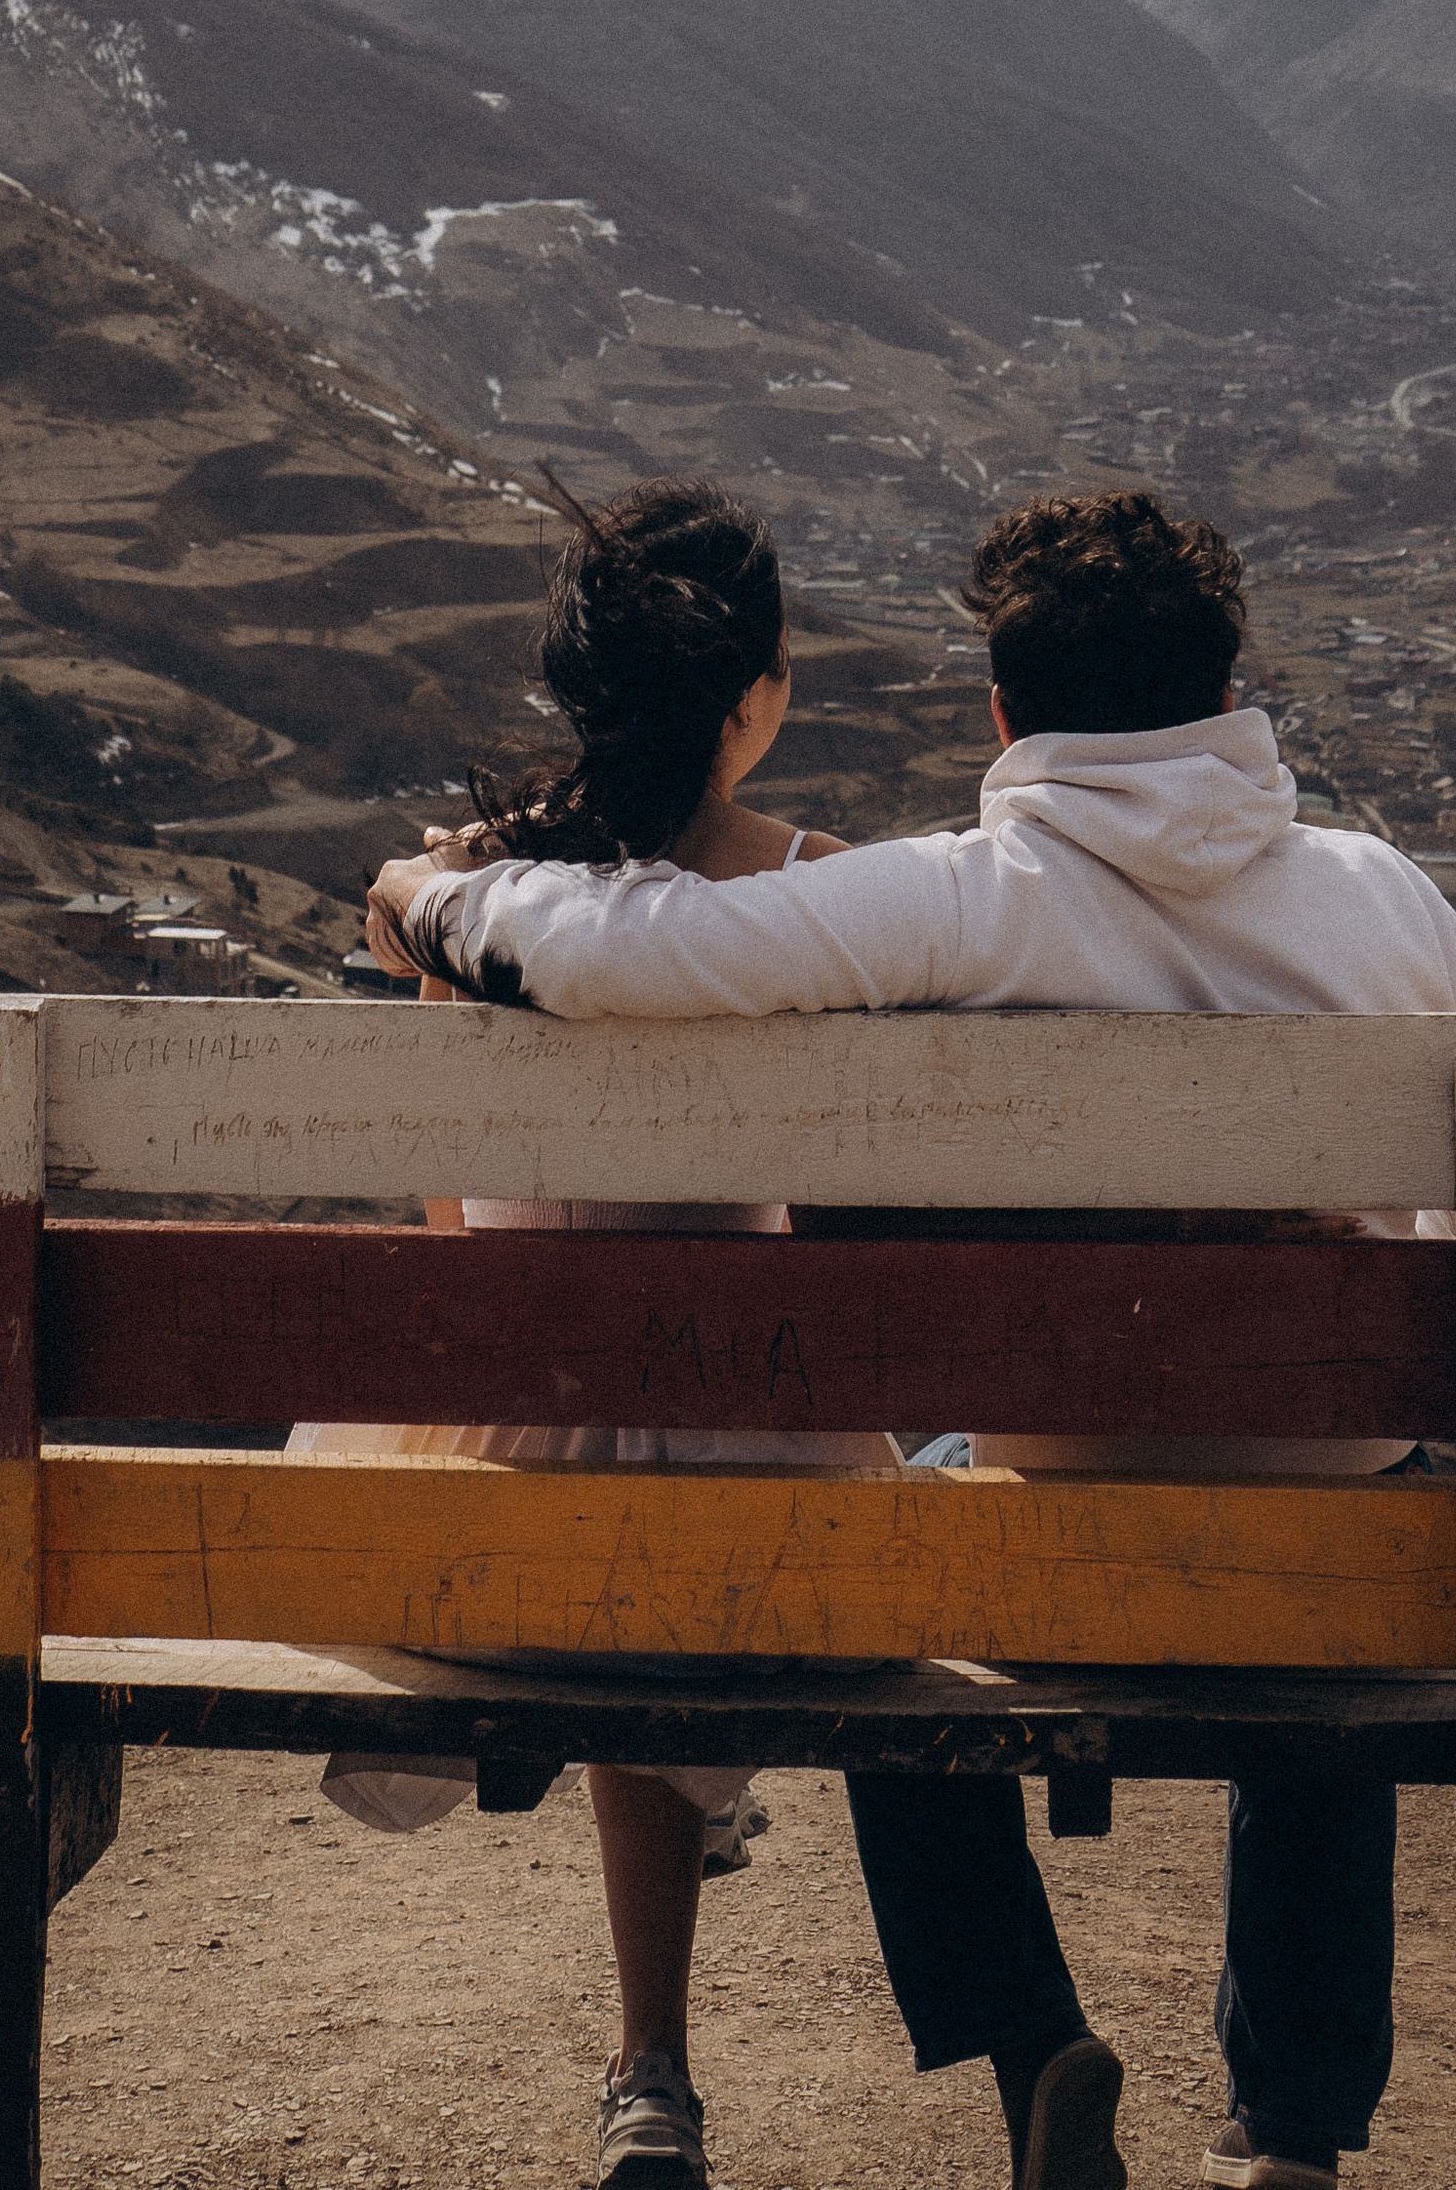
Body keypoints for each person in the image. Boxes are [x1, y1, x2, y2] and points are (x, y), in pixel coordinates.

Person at [371, 489, 1456, 2190]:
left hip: (1069, 1510)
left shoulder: (959, 903)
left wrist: (428, 901)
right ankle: (1291, 2138)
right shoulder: (1378, 896)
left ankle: (1000, 2023)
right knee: (1335, 1544)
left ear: (1004, 717)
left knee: (893, 1532)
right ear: (1230, 693)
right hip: (1337, 1533)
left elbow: (628, 947)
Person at [303, 478, 1013, 2190]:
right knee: (868, 1497)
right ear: (754, 695)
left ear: (579, 686)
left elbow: (447, 1212)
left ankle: (652, 2074)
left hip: (513, 1479)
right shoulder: (810, 889)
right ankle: (1030, 2042)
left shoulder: (472, 897)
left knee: (629, 1501)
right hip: (765, 1465)